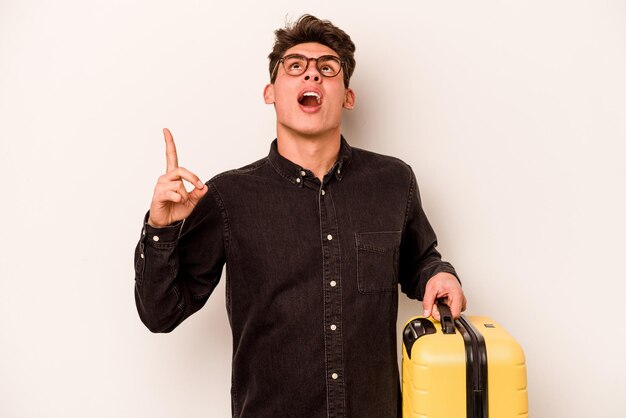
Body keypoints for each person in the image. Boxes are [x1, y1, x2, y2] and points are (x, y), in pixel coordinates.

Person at [134, 14, 466, 418]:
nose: (312, 76)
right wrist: (161, 230)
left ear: (347, 95)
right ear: (270, 92)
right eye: (295, 66)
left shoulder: (394, 181)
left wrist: (439, 274)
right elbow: (161, 313)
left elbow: (420, 261)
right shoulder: (228, 197)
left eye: (327, 68)